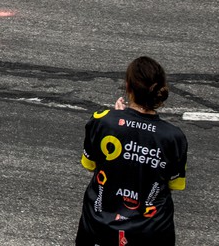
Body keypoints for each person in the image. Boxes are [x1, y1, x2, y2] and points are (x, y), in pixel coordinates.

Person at [76, 56, 187, 246]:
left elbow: (90, 165)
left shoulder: (102, 121)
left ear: (128, 87)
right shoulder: (174, 137)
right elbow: (174, 184)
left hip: (100, 226)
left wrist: (118, 121)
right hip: (151, 231)